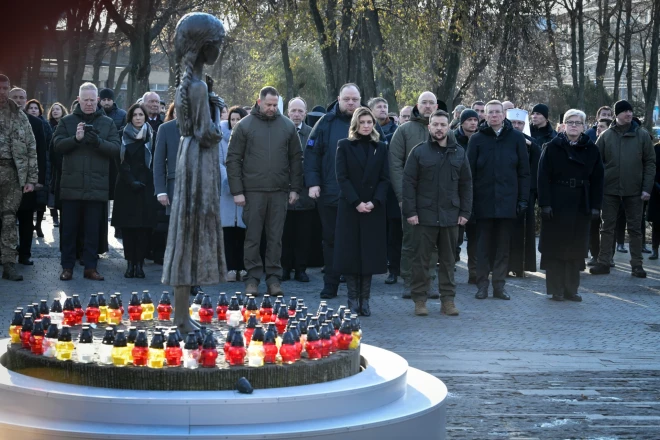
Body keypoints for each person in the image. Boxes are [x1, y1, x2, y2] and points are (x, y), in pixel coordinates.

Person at [227, 86, 303, 297]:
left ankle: (274, 280)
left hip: (279, 191)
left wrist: (295, 188)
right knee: (252, 237)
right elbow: (233, 159)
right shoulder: (244, 126)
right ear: (259, 102)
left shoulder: (287, 126)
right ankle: (252, 279)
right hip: (252, 192)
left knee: (275, 238)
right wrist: (237, 191)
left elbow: (296, 159)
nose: (272, 108)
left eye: (275, 105)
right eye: (268, 104)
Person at [403, 110, 472, 316]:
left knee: (449, 261)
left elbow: (466, 185)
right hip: (423, 216)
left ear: (448, 127)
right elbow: (408, 184)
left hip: (451, 216)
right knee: (421, 261)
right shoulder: (418, 152)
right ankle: (420, 300)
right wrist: (411, 212)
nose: (439, 128)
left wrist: (465, 212)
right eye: (436, 125)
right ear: (429, 127)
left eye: (443, 124)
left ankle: (448, 301)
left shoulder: (459, 152)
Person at [53, 82, 121, 281]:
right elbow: (56, 146)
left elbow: (116, 149)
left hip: (96, 185)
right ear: (78, 100)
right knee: (69, 231)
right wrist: (76, 139)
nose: (89, 104)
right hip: (71, 185)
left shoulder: (107, 123)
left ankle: (91, 268)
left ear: (98, 101)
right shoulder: (66, 121)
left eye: (93, 100)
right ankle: (67, 267)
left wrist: (97, 142)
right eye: (86, 100)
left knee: (93, 230)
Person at [538, 109, 604, 301]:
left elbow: (598, 179)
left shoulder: (591, 149)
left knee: (576, 249)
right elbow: (542, 178)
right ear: (563, 125)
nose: (574, 126)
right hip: (557, 203)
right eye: (570, 122)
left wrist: (595, 206)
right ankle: (556, 289)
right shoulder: (552, 147)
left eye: (578, 122)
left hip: (580, 203)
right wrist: (545, 204)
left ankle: (571, 289)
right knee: (555, 248)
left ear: (584, 126)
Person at [467, 100, 530, 300]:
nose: (494, 115)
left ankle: (499, 286)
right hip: (483, 201)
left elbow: (524, 173)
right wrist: (470, 203)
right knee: (483, 246)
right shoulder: (476, 139)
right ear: (484, 116)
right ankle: (482, 285)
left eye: (497, 112)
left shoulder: (517, 139)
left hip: (508, 201)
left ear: (504, 115)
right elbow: (468, 174)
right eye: (490, 112)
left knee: (503, 246)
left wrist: (522, 200)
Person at [305, 83, 362, 299]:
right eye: (346, 99)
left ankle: (355, 285)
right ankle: (331, 284)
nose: (350, 103)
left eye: (354, 99)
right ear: (338, 99)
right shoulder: (325, 123)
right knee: (330, 240)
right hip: (329, 193)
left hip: (358, 196)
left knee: (355, 240)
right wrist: (313, 183)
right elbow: (311, 154)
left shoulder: (366, 122)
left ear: (359, 100)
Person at [334, 107, 390, 316]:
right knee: (351, 254)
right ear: (356, 124)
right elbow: (342, 177)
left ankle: (365, 300)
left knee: (369, 254)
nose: (367, 126)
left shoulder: (381, 147)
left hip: (373, 208)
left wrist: (374, 202)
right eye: (363, 122)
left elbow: (385, 178)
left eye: (370, 122)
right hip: (350, 207)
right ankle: (352, 299)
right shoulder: (344, 146)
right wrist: (357, 202)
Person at [590, 100, 656, 278]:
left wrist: (646, 188)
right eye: (625, 111)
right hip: (609, 190)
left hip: (635, 190)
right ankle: (603, 262)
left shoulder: (642, 135)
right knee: (606, 227)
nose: (629, 114)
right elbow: (596, 162)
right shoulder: (605, 136)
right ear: (616, 114)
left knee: (635, 229)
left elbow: (650, 163)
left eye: (630, 111)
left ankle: (637, 265)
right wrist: (600, 185)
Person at [389, 91, 440, 299]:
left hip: (438, 200)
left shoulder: (444, 130)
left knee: (433, 243)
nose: (428, 106)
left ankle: (431, 282)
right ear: (416, 106)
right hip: (411, 198)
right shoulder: (404, 130)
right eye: (424, 103)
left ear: (436, 107)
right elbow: (395, 165)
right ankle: (409, 282)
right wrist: (403, 197)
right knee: (410, 241)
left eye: (431, 103)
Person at [111, 103, 156, 278]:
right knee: (129, 229)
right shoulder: (122, 135)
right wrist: (131, 181)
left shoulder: (152, 135)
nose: (138, 118)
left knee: (143, 229)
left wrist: (143, 181)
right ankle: (130, 263)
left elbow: (155, 160)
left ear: (145, 117)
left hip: (146, 186)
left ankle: (140, 264)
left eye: (141, 115)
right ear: (130, 117)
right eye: (135, 115)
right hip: (126, 186)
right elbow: (119, 162)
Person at [0, 74, 38, 281]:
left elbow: (31, 147)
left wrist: (31, 179)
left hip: (12, 174)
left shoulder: (19, 115)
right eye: (0, 88)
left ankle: (9, 264)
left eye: (5, 88)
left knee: (8, 220)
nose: (2, 92)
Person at [9, 90, 47, 266]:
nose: (18, 100)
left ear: (26, 100)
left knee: (25, 219)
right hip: (5, 180)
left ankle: (25, 254)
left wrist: (38, 179)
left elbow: (41, 153)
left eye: (21, 98)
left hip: (27, 180)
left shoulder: (36, 123)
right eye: (14, 97)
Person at [282, 97, 315, 283]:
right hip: (283, 192)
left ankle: (301, 269)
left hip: (305, 194)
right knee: (284, 234)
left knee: (303, 235)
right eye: (293, 110)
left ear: (305, 113)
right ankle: (285, 268)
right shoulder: (281, 131)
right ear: (287, 112)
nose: (296, 114)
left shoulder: (312, 133)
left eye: (300, 111)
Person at [506, 108, 542, 277]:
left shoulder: (532, 144)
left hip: (525, 193)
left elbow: (536, 168)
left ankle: (520, 265)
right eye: (513, 122)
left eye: (520, 123)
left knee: (523, 231)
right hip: (506, 192)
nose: (517, 126)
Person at [220, 105, 248, 282]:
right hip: (226, 189)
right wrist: (230, 182)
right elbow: (219, 164)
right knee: (229, 232)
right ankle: (230, 268)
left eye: (238, 119)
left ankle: (243, 267)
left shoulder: (250, 138)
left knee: (244, 233)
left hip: (246, 190)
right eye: (232, 119)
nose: (235, 122)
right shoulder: (220, 140)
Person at [453, 109, 479, 282]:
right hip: (456, 194)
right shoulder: (453, 139)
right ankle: (450, 268)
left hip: (476, 194)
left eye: (475, 120)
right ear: (462, 122)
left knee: (476, 237)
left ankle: (474, 272)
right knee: (455, 237)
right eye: (469, 119)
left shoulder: (481, 139)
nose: (473, 123)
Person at [587, 117, 614, 266]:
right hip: (595, 190)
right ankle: (595, 254)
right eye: (597, 128)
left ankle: (608, 255)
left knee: (608, 224)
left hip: (610, 189)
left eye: (602, 127)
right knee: (594, 224)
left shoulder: (613, 144)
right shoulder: (592, 146)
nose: (598, 130)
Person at [25, 98, 52, 239]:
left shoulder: (45, 124)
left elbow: (49, 142)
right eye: (31, 108)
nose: (34, 110)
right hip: (27, 162)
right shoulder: (23, 122)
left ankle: (39, 225)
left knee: (41, 198)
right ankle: (28, 225)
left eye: (36, 108)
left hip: (43, 162)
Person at [47, 102, 68, 227]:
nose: (55, 111)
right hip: (52, 160)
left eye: (57, 109)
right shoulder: (48, 125)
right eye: (53, 109)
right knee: (52, 190)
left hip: (62, 161)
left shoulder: (66, 125)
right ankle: (54, 217)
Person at [647, 141, 660, 260]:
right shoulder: (656, 149)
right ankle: (655, 249)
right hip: (658, 191)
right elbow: (652, 167)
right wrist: (655, 184)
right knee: (657, 222)